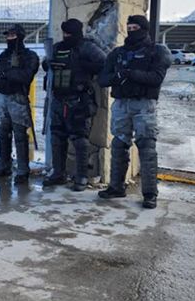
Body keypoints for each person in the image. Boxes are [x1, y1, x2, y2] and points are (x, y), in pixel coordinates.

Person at [97, 15, 172, 209]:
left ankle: (150, 194)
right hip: (121, 104)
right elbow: (103, 79)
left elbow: (156, 77)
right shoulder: (117, 53)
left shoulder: (157, 51)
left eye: (135, 28)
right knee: (118, 144)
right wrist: (118, 76)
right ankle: (116, 187)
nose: (131, 31)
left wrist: (130, 74)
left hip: (144, 104)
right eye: (129, 28)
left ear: (144, 29)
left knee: (147, 147)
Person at [42, 18, 106, 191]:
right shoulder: (57, 48)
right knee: (57, 138)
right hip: (58, 99)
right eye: (64, 33)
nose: (66, 36)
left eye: (69, 33)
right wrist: (47, 64)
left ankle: (82, 176)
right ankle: (58, 173)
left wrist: (82, 66)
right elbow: (46, 64)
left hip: (78, 101)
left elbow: (104, 63)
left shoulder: (87, 48)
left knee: (79, 140)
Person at [0, 24, 39, 184]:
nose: (9, 38)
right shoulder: (4, 55)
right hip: (3, 97)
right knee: (3, 134)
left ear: (20, 36)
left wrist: (6, 74)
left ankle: (23, 170)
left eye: (12, 35)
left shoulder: (29, 55)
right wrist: (1, 74)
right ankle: (4, 165)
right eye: (8, 36)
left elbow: (25, 76)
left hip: (18, 99)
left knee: (20, 135)